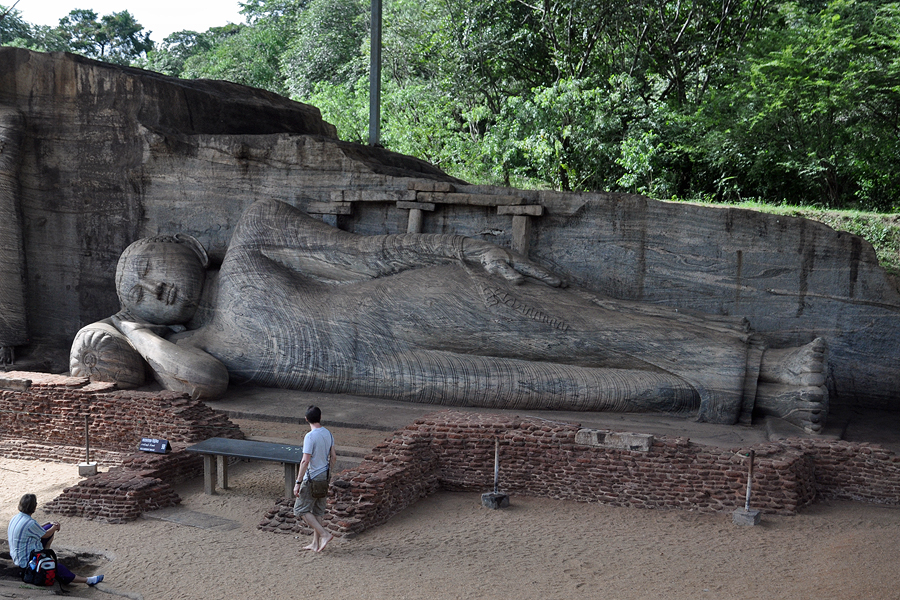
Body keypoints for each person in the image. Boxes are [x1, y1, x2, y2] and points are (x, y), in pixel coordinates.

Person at [69, 198, 828, 432]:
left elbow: (368, 256)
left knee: (588, 329)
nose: (152, 285)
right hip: (396, 371)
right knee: (578, 388)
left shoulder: (251, 238)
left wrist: (471, 248)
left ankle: (770, 362)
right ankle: (744, 396)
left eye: (148, 263)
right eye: (136, 287)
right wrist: (134, 331)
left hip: (416, 303)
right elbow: (200, 382)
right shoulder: (196, 348)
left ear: (181, 248)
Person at [7, 493, 104, 586]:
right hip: (26, 561)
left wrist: (48, 523)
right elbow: (46, 534)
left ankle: (46, 551)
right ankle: (87, 580)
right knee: (57, 567)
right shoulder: (30, 523)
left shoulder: (16, 517)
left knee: (48, 526)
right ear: (33, 507)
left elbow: (34, 530)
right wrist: (55, 527)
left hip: (17, 555)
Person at [292, 405, 336, 552]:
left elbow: (305, 460)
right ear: (320, 417)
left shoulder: (310, 436)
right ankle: (315, 543)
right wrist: (329, 473)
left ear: (306, 419)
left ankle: (324, 534)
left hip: (312, 477)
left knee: (300, 509)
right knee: (318, 510)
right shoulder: (328, 433)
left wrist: (298, 482)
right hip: (324, 475)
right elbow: (333, 456)